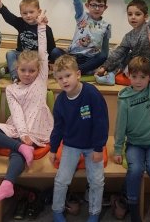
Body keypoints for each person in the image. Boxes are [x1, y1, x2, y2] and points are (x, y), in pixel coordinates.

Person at [0, 10, 55, 206]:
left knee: (18, 152)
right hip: (18, 126)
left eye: (32, 70)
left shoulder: (40, 81)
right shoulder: (12, 89)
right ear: (17, 69)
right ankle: (21, 148)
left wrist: (41, 27)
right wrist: (22, 136)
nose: (28, 74)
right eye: (23, 70)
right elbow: (16, 113)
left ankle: (8, 183)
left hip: (37, 125)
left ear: (39, 71)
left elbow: (43, 53)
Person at [113, 30, 150, 222]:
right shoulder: (124, 99)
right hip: (134, 144)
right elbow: (120, 125)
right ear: (129, 76)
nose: (138, 81)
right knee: (135, 170)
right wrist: (118, 149)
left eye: (142, 77)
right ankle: (134, 211)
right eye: (134, 76)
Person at [49, 55, 109, 222]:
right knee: (61, 179)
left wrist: (99, 148)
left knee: (97, 181)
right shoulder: (60, 101)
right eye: (60, 78)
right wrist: (53, 149)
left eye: (68, 75)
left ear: (78, 74)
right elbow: (58, 128)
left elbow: (101, 123)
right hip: (71, 144)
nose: (64, 81)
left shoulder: (92, 94)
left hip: (93, 145)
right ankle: (57, 210)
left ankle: (94, 213)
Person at [94, 0, 150, 85]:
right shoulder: (128, 36)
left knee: (126, 58)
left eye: (137, 14)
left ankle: (113, 73)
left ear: (145, 17)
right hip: (136, 65)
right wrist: (104, 67)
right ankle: (111, 75)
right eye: (130, 14)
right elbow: (119, 53)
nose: (133, 17)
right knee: (118, 53)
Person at [0, 0, 64, 78]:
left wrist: (49, 62)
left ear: (39, 12)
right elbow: (9, 17)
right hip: (23, 56)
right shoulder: (20, 23)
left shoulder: (45, 28)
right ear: (21, 13)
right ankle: (15, 77)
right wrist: (0, 5)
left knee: (55, 52)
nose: (28, 15)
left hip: (38, 59)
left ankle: (11, 68)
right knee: (10, 54)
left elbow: (51, 48)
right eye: (25, 13)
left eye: (31, 12)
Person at [57, 0, 111, 75]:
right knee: (55, 51)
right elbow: (77, 2)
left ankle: (76, 70)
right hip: (72, 57)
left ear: (105, 8)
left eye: (100, 6)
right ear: (87, 5)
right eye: (93, 5)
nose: (97, 8)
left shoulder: (106, 26)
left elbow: (105, 51)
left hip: (89, 59)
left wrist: (105, 66)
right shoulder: (82, 16)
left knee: (103, 56)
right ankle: (81, 70)